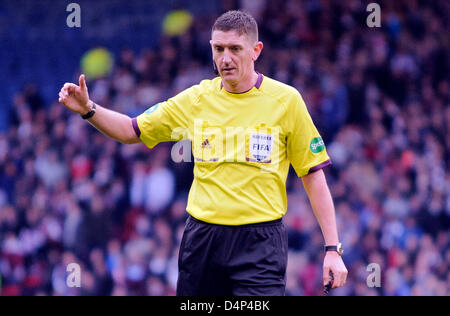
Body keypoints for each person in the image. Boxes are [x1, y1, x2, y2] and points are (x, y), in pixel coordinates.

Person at [58, 10, 347, 296]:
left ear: (256, 50)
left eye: (235, 49)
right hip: (204, 238)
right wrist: (89, 109)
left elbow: (312, 175)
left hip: (260, 243)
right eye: (219, 48)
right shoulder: (196, 99)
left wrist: (332, 249)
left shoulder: (286, 101)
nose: (226, 58)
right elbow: (131, 131)